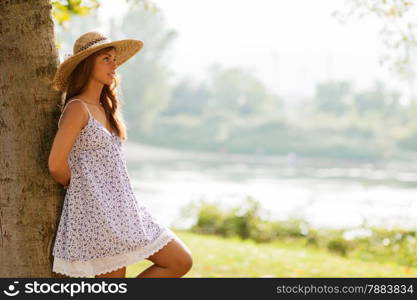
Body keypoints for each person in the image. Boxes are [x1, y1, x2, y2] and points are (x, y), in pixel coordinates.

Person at [48, 31, 193, 278]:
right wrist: (81, 186)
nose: (114, 65)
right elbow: (55, 165)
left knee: (180, 261)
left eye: (114, 59)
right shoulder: (77, 108)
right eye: (106, 58)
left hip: (126, 209)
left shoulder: (105, 108)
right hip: (99, 212)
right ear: (87, 65)